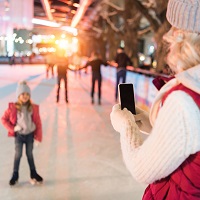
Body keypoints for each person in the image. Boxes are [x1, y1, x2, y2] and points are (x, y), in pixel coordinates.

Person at [110, 0, 200, 199]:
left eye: (174, 27)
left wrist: (126, 127)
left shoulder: (184, 100)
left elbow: (141, 169)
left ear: (183, 36)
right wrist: (154, 124)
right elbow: (190, 138)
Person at [1, 81, 43, 186]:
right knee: (18, 155)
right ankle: (15, 175)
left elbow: (38, 123)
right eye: (23, 94)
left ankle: (33, 173)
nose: (25, 96)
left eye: (27, 94)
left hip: (29, 136)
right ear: (19, 95)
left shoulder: (33, 108)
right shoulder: (13, 107)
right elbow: (3, 119)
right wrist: (13, 128)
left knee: (29, 155)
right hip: (19, 136)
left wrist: (38, 137)